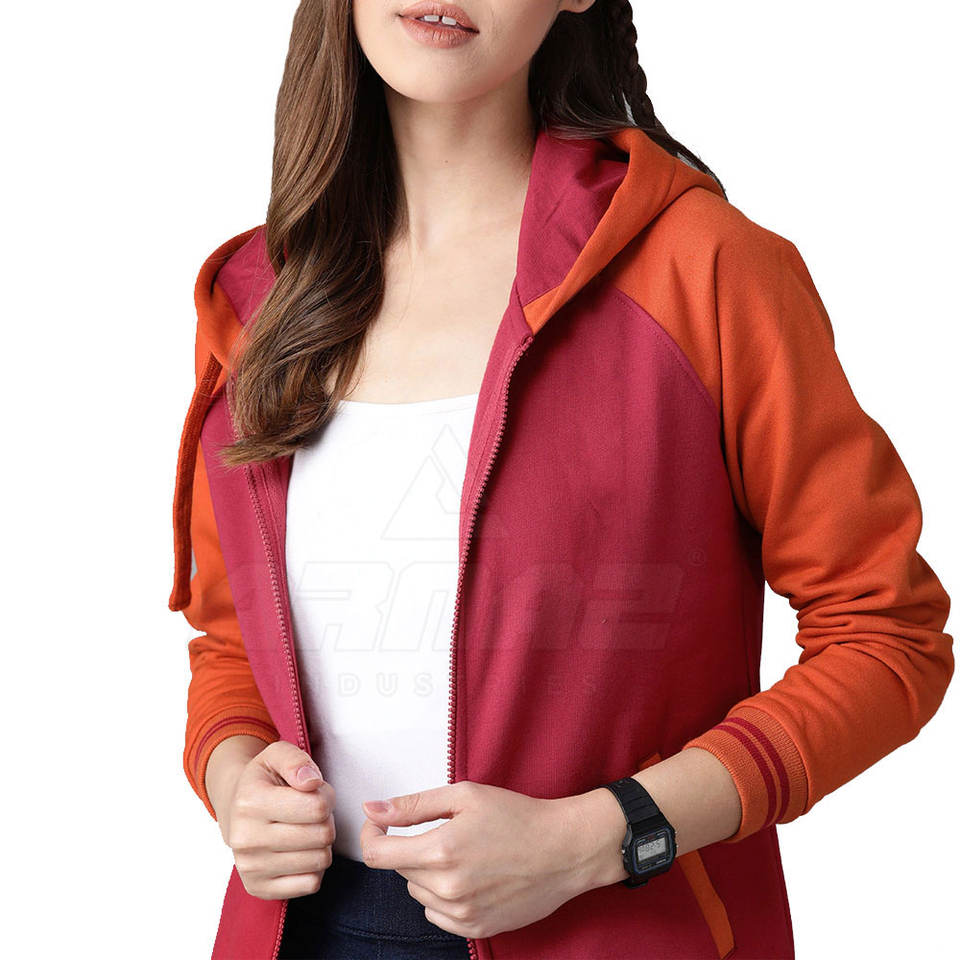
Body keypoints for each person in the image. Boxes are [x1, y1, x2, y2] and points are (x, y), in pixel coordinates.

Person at [168, 2, 954, 959]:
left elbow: (885, 633)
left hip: (619, 931)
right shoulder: (259, 298)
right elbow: (232, 644)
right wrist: (235, 778)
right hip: (303, 931)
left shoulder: (704, 269)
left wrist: (604, 837)